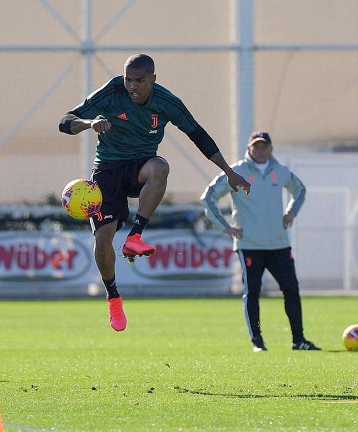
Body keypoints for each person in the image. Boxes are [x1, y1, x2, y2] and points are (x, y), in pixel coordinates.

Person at [58, 53, 251, 332]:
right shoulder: (111, 93)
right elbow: (65, 121)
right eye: (128, 79)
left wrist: (229, 172)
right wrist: (89, 124)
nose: (132, 86)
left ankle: (135, 235)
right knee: (102, 238)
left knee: (160, 166)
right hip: (108, 170)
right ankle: (113, 296)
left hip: (139, 167)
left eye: (139, 80)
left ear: (153, 79)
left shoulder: (166, 102)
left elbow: (198, 134)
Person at [201, 131, 321, 352]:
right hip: (250, 244)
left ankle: (299, 340)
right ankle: (257, 342)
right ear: (249, 149)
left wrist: (291, 212)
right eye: (256, 146)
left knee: (291, 288)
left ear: (271, 149)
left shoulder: (281, 171)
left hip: (278, 242)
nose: (260, 150)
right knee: (253, 292)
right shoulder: (237, 172)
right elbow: (208, 197)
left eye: (264, 146)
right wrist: (225, 226)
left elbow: (300, 190)